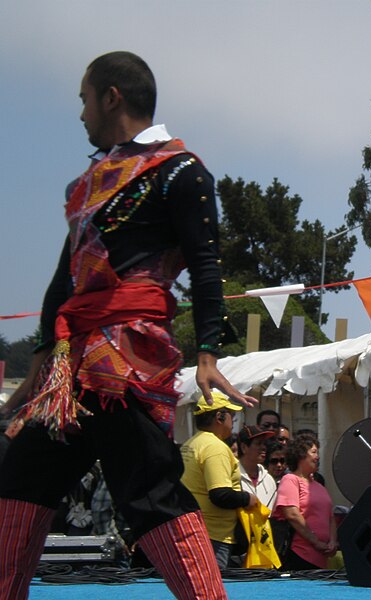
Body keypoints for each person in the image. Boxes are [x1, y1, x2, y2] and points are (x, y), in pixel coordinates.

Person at [0, 51, 255, 600]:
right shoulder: (90, 180)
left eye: (84, 99)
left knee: (151, 492)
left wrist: (207, 351)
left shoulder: (182, 171)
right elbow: (62, 282)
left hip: (125, 359)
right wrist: (38, 368)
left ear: (111, 96)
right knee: (19, 481)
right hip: (69, 371)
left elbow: (206, 264)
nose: (80, 114)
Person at [181, 392, 258, 570]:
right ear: (219, 417)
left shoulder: (191, 444)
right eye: (232, 416)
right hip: (213, 534)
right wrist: (248, 499)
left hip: (195, 529)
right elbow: (220, 494)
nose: (233, 422)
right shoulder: (215, 447)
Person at [274, 435, 338, 570]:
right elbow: (292, 514)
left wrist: (332, 542)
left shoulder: (319, 486)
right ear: (301, 455)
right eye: (314, 452)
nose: (318, 457)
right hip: (300, 554)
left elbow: (330, 517)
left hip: (321, 558)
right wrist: (315, 542)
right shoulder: (290, 480)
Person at [238, 425, 278, 511]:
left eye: (264, 443)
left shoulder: (268, 479)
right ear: (244, 447)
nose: (264, 447)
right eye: (258, 443)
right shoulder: (232, 475)